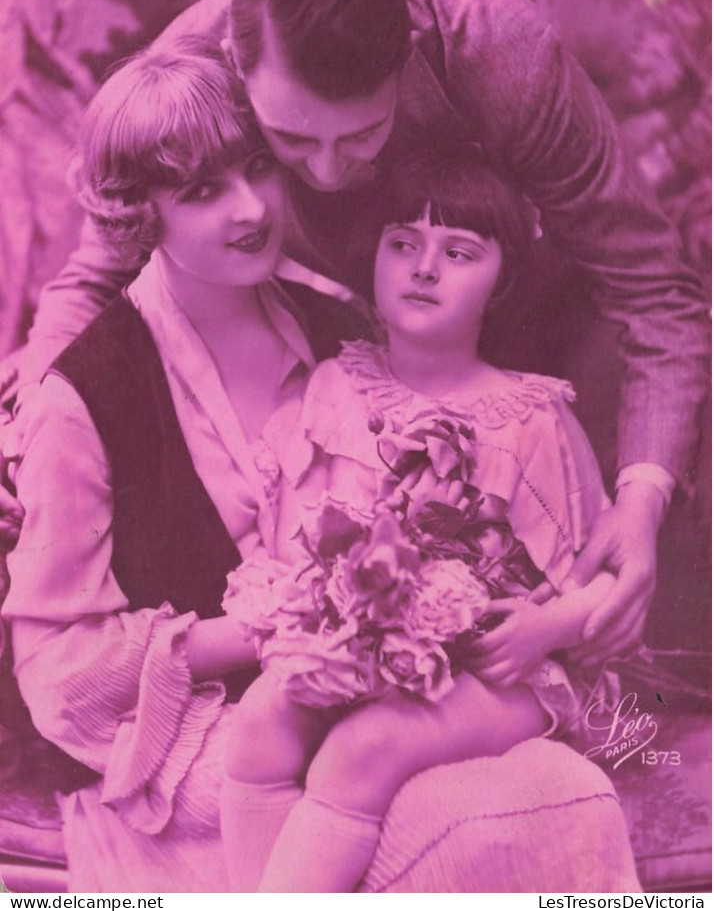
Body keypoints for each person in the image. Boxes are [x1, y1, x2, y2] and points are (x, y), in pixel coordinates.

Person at [2, 0, 709, 670]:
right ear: (238, 66)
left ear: (404, 59)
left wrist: (643, 496)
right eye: (291, 141)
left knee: (643, 624)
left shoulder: (505, 54)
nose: (330, 171)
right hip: (373, 377)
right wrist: (26, 429)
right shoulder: (194, 60)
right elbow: (99, 268)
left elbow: (654, 289)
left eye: (364, 133)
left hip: (549, 324)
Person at [2, 45, 365, 892]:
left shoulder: (338, 328)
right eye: (202, 191)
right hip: (198, 737)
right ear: (140, 215)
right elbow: (56, 666)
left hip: (358, 702)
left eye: (255, 168)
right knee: (361, 806)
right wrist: (260, 637)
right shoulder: (82, 396)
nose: (249, 208)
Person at [218, 151, 622, 893]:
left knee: (361, 749)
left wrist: (547, 627)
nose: (424, 267)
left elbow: (611, 584)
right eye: (402, 244)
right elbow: (295, 551)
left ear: (502, 278)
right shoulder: (338, 388)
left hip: (503, 673)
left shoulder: (530, 416)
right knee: (260, 721)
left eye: (459, 252)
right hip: (368, 657)